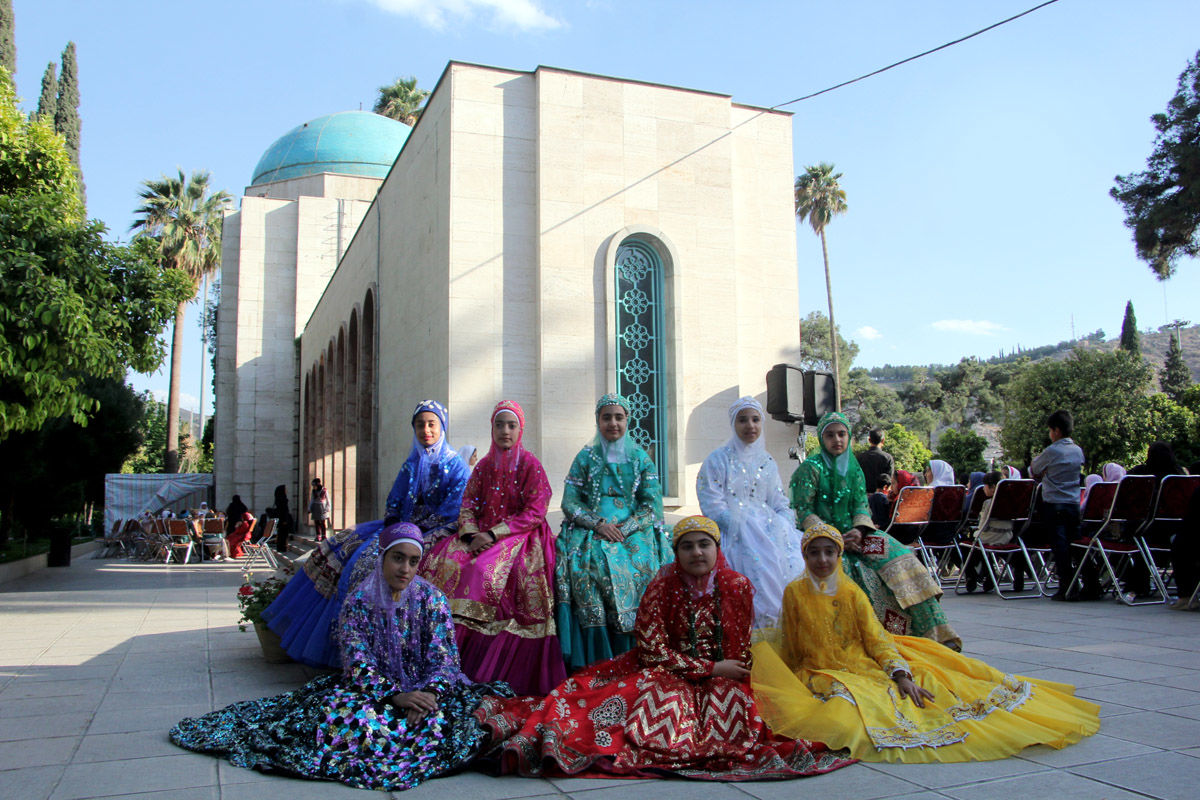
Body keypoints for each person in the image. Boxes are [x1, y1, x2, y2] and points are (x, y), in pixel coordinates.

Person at [476, 516, 856, 780]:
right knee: (654, 701)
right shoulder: (662, 584)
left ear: (716, 548)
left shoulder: (737, 586)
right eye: (687, 546)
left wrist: (721, 673)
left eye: (704, 545)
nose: (696, 553)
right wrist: (708, 670)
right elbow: (653, 649)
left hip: (724, 673)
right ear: (677, 552)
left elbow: (738, 649)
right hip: (664, 670)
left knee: (736, 708)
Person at [170, 523, 514, 791]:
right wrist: (396, 695)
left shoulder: (432, 600)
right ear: (382, 558)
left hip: (426, 692)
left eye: (413, 561)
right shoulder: (358, 603)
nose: (405, 569)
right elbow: (358, 664)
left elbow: (445, 659)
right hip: (373, 693)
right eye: (398, 558)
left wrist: (427, 695)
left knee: (452, 723)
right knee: (350, 723)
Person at [750, 524, 1100, 763]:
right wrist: (793, 683)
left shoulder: (852, 591)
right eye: (814, 553)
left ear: (839, 556)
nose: (823, 560)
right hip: (818, 672)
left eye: (830, 552)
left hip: (860, 664)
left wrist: (900, 673)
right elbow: (792, 643)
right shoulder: (794, 593)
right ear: (805, 556)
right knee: (838, 718)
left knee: (900, 699)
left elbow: (875, 637)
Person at [264, 400, 470, 667]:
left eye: (432, 424)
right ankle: (348, 647)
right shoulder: (410, 465)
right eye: (420, 425)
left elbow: (453, 510)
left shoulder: (456, 466)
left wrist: (419, 532)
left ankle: (379, 649)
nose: (426, 430)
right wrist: (396, 526)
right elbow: (394, 501)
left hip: (435, 532)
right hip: (400, 530)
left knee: (372, 563)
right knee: (340, 547)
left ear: (442, 427)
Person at [420, 400, 566, 695]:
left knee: (483, 569)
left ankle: (481, 660)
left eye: (511, 425)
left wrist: (493, 533)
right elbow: (468, 504)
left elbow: (535, 510)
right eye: (499, 425)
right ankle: (438, 652)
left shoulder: (530, 465)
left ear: (520, 429)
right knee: (442, 561)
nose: (505, 431)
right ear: (492, 429)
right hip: (479, 536)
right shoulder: (484, 465)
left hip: (520, 535)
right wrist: (473, 532)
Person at [789, 411, 960, 649]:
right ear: (821, 438)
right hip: (822, 541)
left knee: (902, 559)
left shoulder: (854, 467)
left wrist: (860, 530)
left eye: (842, 434)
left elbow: (861, 503)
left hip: (859, 534)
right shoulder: (810, 468)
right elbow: (803, 509)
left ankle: (935, 637)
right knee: (849, 571)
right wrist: (833, 538)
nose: (837, 440)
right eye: (830, 435)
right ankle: (877, 644)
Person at [556, 393, 672, 671]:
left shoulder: (641, 459)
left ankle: (642, 653)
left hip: (633, 530)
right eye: (606, 417)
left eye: (619, 417)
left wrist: (628, 527)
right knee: (588, 567)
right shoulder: (585, 457)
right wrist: (598, 524)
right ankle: (599, 661)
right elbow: (570, 502)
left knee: (643, 567)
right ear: (598, 421)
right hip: (593, 529)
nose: (613, 423)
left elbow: (651, 506)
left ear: (628, 420)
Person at [696, 396, 805, 630]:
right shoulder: (718, 459)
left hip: (768, 528)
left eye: (755, 420)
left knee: (794, 560)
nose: (750, 426)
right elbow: (711, 500)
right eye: (743, 420)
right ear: (733, 424)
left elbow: (778, 500)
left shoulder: (767, 461)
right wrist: (739, 524)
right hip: (730, 531)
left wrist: (783, 523)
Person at [1029, 410, 1085, 601]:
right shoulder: (1078, 450)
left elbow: (1034, 469)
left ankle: (1067, 587)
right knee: (1076, 545)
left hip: (1054, 503)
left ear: (1057, 431)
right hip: (1074, 503)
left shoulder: (1052, 450)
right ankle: (1086, 583)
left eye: (1051, 430)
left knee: (1060, 547)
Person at [963, 471, 1012, 593]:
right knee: (984, 549)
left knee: (966, 546)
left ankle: (972, 576)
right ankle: (988, 576)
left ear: (993, 487)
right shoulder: (1012, 501)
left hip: (989, 538)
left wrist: (974, 534)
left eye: (985, 485)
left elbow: (983, 526)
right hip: (1007, 536)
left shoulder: (988, 503)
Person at [856, 428, 894, 493]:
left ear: (869, 440)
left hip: (863, 495)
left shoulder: (860, 457)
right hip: (881, 496)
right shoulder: (887, 458)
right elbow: (889, 479)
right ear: (883, 440)